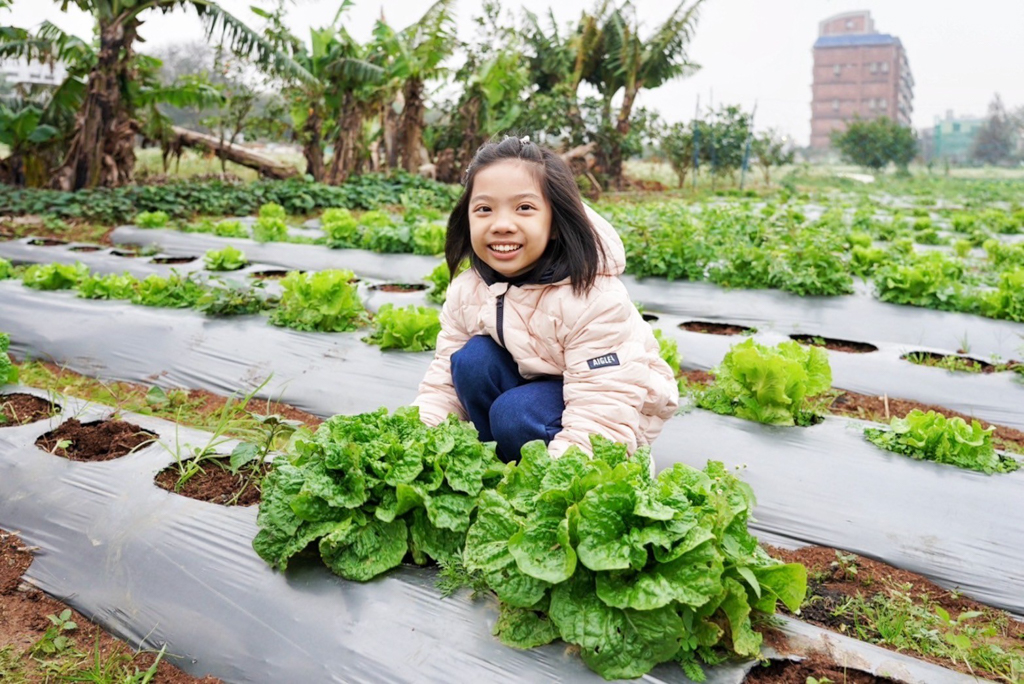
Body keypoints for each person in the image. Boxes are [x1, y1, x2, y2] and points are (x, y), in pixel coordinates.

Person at [413, 136, 679, 462]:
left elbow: (604, 403)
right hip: (536, 386)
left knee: (515, 414)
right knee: (471, 362)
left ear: (554, 223)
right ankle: (496, 463)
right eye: (484, 209)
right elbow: (443, 383)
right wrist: (418, 439)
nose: (502, 225)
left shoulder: (593, 298)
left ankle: (564, 471)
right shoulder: (469, 289)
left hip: (614, 412)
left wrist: (563, 483)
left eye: (524, 208)